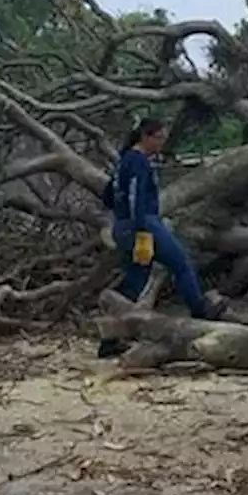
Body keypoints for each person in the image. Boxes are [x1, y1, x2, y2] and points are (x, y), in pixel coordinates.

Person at [97, 117, 214, 358]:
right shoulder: (138, 161)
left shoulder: (123, 162)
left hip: (123, 226)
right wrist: (142, 230)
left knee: (135, 279)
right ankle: (201, 311)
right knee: (180, 263)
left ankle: (109, 339)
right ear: (146, 136)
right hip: (143, 224)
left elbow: (108, 196)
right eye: (159, 137)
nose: (162, 142)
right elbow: (135, 197)